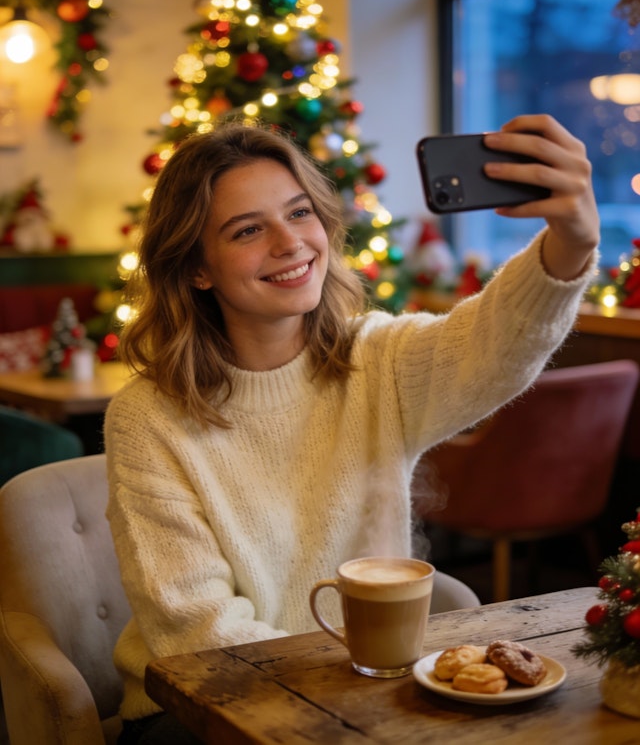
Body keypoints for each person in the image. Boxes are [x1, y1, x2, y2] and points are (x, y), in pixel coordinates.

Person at [105, 114, 599, 742]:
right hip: (198, 707)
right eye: (249, 229)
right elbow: (201, 632)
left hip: (370, 687)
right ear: (197, 268)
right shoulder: (148, 417)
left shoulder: (377, 360)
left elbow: (497, 343)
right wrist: (358, 700)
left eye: (299, 213)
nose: (290, 243)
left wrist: (573, 241)